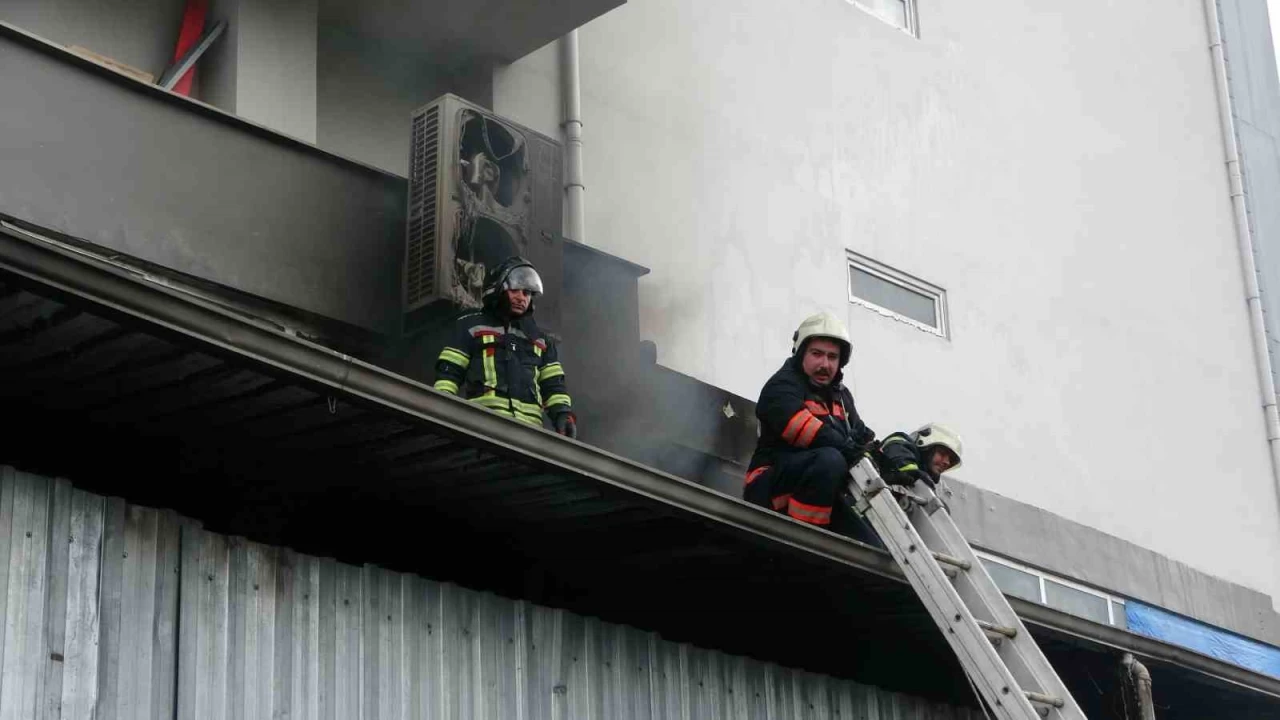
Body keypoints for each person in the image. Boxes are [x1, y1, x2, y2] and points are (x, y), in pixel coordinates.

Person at [744, 311, 876, 528]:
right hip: (768, 489)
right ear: (801, 353)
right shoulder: (782, 386)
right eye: (817, 354)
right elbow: (801, 428)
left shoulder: (842, 397)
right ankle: (803, 537)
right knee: (830, 459)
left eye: (832, 357)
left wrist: (884, 459)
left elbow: (862, 437)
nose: (825, 364)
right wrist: (846, 447)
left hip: (822, 489)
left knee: (870, 540)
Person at [433, 257, 577, 438]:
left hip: (529, 436)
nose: (521, 298)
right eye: (515, 290)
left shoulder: (540, 340)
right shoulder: (470, 326)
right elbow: (449, 374)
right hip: (483, 427)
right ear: (498, 289)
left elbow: (553, 386)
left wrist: (563, 414)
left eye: (527, 293)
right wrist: (442, 410)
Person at [877, 423, 963, 489]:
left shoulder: (930, 484)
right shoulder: (899, 442)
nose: (947, 462)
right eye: (942, 453)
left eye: (951, 460)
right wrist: (915, 474)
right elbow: (900, 458)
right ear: (927, 447)